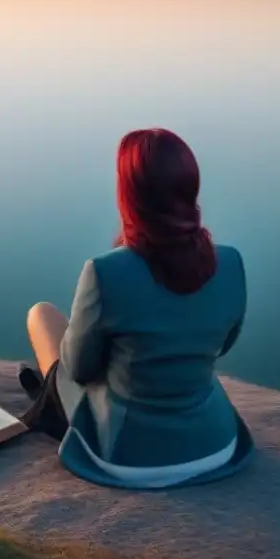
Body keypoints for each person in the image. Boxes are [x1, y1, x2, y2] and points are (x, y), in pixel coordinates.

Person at [19, 128, 255, 489]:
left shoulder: (105, 272)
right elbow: (222, 344)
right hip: (215, 447)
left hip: (130, 457)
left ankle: (48, 399)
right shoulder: (231, 263)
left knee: (42, 315)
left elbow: (79, 369)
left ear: (129, 194)